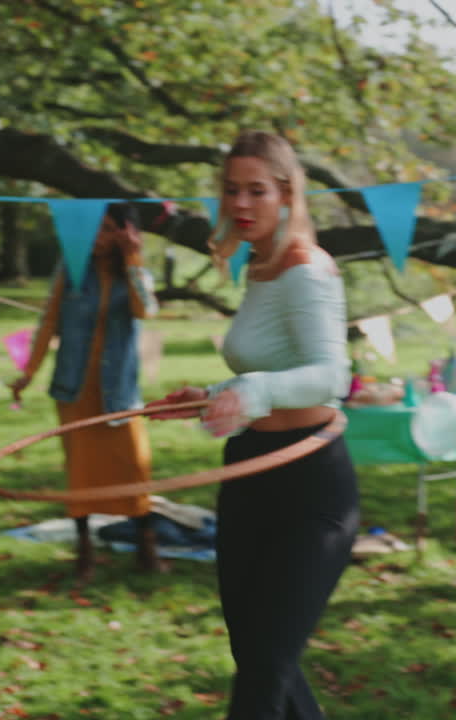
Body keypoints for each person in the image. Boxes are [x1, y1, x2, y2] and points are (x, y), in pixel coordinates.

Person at [147, 130, 359, 720]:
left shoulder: (305, 269)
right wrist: (208, 397)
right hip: (249, 473)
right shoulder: (261, 267)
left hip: (309, 483)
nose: (241, 204)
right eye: (231, 191)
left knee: (266, 666)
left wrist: (251, 390)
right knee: (259, 656)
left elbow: (331, 375)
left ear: (287, 194)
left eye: (256, 191)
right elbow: (265, 374)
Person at [10, 202, 163, 579]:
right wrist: (28, 372)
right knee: (79, 472)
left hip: (119, 391)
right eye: (96, 228)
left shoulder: (135, 270)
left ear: (126, 232)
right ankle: (85, 554)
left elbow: (146, 310)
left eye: (109, 229)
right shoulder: (71, 267)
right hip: (74, 387)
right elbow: (48, 321)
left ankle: (147, 547)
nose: (99, 237)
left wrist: (133, 258)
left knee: (135, 467)